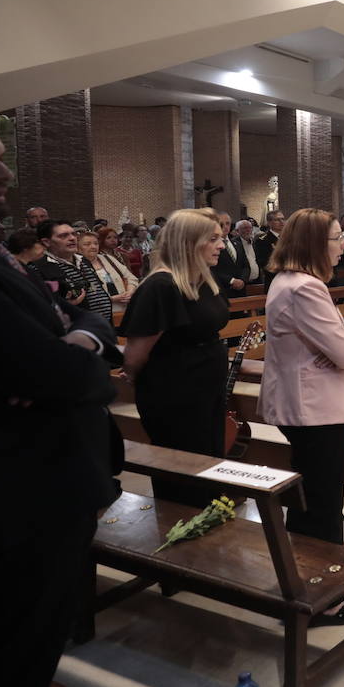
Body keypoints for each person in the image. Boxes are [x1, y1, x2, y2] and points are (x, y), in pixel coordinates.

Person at [0, 107, 121, 687]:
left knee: (20, 668)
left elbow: (82, 334)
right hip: (12, 510)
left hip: (39, 497)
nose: (2, 172)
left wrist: (72, 341)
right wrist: (72, 354)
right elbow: (67, 376)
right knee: (1, 674)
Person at [259, 208, 344, 624]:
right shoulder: (305, 288)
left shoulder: (286, 281)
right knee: (321, 505)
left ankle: (301, 585)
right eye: (337, 238)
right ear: (314, 244)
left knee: (307, 502)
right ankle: (325, 598)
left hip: (307, 408)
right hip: (316, 412)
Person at [119, 208, 230, 504]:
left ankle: (210, 521)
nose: (221, 245)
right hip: (175, 392)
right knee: (184, 469)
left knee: (209, 461)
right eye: (214, 239)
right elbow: (135, 354)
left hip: (206, 387)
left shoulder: (203, 279)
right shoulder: (160, 286)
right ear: (190, 242)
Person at [34, 219, 113, 320]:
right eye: (63, 236)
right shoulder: (39, 268)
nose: (72, 238)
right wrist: (64, 305)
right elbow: (40, 307)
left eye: (73, 234)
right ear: (46, 242)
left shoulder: (84, 261)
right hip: (74, 331)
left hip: (103, 327)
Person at [83, 228, 137, 309]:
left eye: (96, 243)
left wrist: (130, 292)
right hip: (101, 312)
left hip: (123, 308)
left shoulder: (107, 258)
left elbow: (130, 277)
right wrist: (111, 299)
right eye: (87, 244)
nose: (93, 246)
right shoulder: (78, 265)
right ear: (78, 247)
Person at [210, 211, 249, 298]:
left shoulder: (237, 242)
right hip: (223, 289)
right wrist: (231, 280)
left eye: (228, 223)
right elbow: (212, 269)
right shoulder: (211, 245)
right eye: (221, 224)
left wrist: (242, 280)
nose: (225, 227)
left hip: (241, 291)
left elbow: (246, 265)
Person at [254, 209, 285, 276]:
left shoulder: (289, 238)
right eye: (277, 220)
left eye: (283, 219)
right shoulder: (263, 240)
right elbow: (263, 262)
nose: (282, 222)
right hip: (274, 276)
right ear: (269, 223)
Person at [232, 217, 262, 285]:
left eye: (250, 228)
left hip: (256, 281)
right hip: (241, 282)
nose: (248, 230)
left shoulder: (254, 243)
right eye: (244, 228)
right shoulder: (233, 244)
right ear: (237, 231)